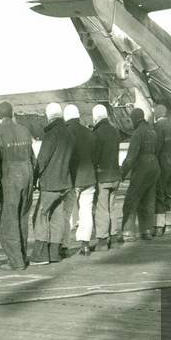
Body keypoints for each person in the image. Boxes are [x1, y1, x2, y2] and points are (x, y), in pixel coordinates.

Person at [0, 101, 36, 270]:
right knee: (22, 217)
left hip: (10, 175)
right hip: (27, 174)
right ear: (11, 114)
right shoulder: (24, 130)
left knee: (9, 220)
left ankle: (16, 261)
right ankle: (22, 256)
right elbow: (33, 158)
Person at [31, 102, 74, 264]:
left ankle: (40, 254)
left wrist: (34, 177)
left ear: (48, 116)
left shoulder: (51, 134)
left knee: (41, 215)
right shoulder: (69, 133)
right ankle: (54, 253)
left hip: (50, 184)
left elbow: (42, 159)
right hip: (65, 183)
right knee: (57, 217)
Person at [118, 108, 160, 242]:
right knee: (148, 200)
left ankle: (128, 232)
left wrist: (122, 173)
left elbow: (131, 157)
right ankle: (146, 231)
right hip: (154, 166)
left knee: (131, 200)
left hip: (142, 167)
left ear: (135, 119)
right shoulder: (152, 132)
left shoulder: (137, 133)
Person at [64, 105, 97, 257]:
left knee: (68, 212)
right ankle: (85, 244)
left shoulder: (66, 132)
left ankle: (64, 246)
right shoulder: (89, 132)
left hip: (73, 178)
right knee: (86, 211)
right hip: (89, 177)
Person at [91, 105, 121, 250]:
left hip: (102, 176)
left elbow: (94, 156)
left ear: (95, 117)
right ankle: (114, 238)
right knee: (112, 207)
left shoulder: (97, 133)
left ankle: (102, 240)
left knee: (102, 208)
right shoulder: (115, 131)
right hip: (115, 174)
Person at [152, 105, 171, 236]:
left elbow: (157, 148)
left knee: (159, 195)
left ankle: (159, 226)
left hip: (160, 164)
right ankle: (168, 225)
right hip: (170, 162)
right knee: (167, 194)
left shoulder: (157, 128)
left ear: (157, 114)